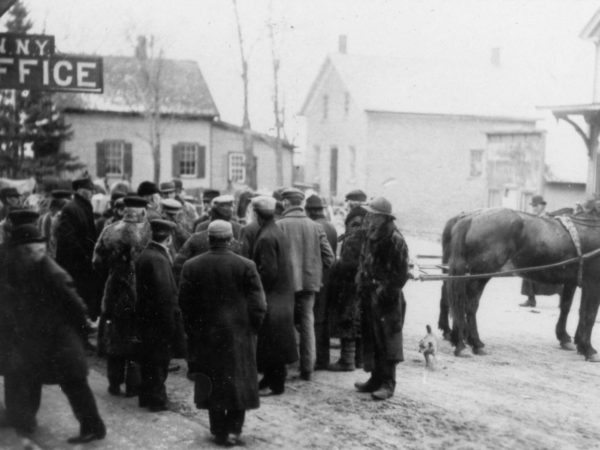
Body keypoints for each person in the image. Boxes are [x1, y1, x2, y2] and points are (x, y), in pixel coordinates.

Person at [1, 224, 106, 442]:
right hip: (41, 339)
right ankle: (25, 419)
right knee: (30, 376)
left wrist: (82, 334)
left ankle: (93, 427)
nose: (34, 255)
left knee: (74, 384)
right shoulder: (24, 267)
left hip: (61, 341)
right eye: (28, 251)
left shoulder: (52, 273)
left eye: (38, 250)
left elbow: (77, 307)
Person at [179, 220, 266, 447]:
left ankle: (218, 431)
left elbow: (185, 304)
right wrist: (251, 329)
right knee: (239, 380)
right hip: (238, 334)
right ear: (230, 240)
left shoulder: (192, 265)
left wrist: (193, 330)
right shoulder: (246, 265)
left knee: (212, 381)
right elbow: (258, 305)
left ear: (209, 239)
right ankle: (234, 431)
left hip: (206, 335)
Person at [93, 195, 151, 397]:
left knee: (115, 335)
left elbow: (97, 261)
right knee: (136, 336)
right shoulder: (147, 232)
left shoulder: (110, 230)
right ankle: (134, 385)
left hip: (114, 290)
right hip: (140, 291)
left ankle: (114, 382)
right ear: (143, 211)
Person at [277, 188, 335, 381]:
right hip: (310, 283)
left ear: (286, 203)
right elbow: (329, 258)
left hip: (286, 285)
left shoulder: (280, 226)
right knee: (307, 322)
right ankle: (307, 369)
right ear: (300, 204)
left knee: (285, 324)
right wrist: (315, 270)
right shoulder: (315, 226)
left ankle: (284, 367)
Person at [355, 197, 409, 401]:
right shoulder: (371, 233)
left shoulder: (395, 239)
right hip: (369, 293)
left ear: (383, 217)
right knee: (372, 338)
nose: (368, 217)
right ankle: (375, 379)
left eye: (373, 214)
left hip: (387, 299)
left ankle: (388, 383)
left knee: (388, 341)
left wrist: (383, 293)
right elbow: (364, 261)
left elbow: (400, 275)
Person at [135, 219, 187, 411]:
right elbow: (165, 294)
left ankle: (146, 396)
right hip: (159, 319)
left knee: (149, 359)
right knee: (158, 360)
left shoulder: (146, 255)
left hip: (147, 318)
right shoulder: (159, 259)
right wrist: (171, 324)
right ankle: (157, 400)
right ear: (169, 237)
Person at [250, 196, 298, 396]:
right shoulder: (276, 231)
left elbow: (268, 272)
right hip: (282, 295)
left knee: (272, 342)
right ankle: (269, 379)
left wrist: (253, 286)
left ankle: (275, 384)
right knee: (273, 341)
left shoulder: (266, 237)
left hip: (272, 297)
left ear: (257, 214)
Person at [55, 177, 103, 321]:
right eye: (88, 190)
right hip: (76, 267)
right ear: (78, 191)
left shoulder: (82, 207)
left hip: (82, 265)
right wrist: (86, 257)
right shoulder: (72, 208)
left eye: (92, 190)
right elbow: (68, 240)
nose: (91, 193)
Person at [328, 205, 368, 372]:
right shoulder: (369, 236)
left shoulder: (353, 239)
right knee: (359, 322)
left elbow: (347, 265)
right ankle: (360, 360)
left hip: (350, 286)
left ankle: (346, 361)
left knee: (348, 320)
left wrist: (336, 266)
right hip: (363, 285)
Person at [304, 194, 338, 370]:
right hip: (330, 277)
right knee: (323, 319)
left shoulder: (315, 227)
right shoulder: (331, 226)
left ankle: (318, 358)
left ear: (310, 211)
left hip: (318, 278)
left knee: (315, 318)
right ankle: (324, 358)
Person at [519, 195, 563, 308]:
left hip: (548, 249)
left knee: (556, 274)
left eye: (536, 205)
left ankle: (563, 299)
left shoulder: (549, 217)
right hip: (536, 248)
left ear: (542, 205)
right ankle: (531, 299)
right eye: (533, 206)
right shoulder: (534, 217)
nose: (534, 208)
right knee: (527, 269)